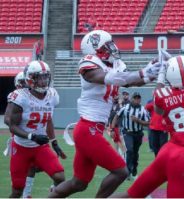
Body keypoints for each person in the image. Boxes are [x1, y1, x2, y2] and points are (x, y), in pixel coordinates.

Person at [48, 30, 163, 198]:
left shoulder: (116, 65)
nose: (112, 48)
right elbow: (110, 78)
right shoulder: (88, 63)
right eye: (107, 46)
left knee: (79, 183)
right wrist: (143, 72)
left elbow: (131, 81)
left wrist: (152, 71)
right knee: (121, 171)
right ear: (95, 51)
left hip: (91, 129)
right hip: (88, 129)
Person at [112, 55, 184, 198]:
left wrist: (161, 74)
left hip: (169, 150)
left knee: (131, 195)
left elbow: (158, 107)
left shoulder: (162, 95)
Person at [5, 61, 66, 197]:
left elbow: (48, 118)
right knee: (17, 191)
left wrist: (54, 142)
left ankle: (52, 193)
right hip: (21, 148)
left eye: (46, 77)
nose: (44, 81)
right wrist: (31, 136)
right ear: (31, 78)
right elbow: (10, 123)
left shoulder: (52, 95)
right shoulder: (21, 97)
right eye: (40, 77)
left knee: (60, 178)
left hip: (40, 147)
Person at [111, 92, 150, 178]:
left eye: (138, 98)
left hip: (138, 133)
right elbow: (116, 116)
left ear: (140, 99)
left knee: (135, 152)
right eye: (135, 98)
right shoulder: (125, 108)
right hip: (127, 132)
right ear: (132, 99)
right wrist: (113, 129)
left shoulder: (143, 110)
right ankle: (128, 170)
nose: (136, 100)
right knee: (129, 150)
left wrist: (138, 121)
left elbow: (148, 123)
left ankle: (134, 166)